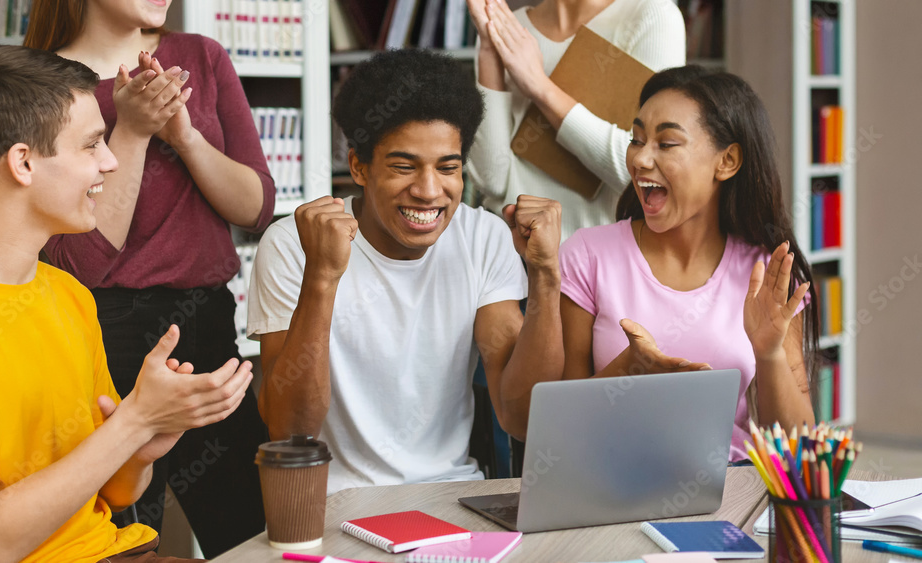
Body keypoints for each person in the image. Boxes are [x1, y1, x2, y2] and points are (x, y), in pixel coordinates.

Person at [0, 45, 253, 563]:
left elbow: (120, 495)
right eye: (92, 145)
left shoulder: (70, 296)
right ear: (23, 163)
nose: (111, 161)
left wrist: (144, 442)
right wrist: (133, 423)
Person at [247, 49, 564, 494]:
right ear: (359, 166)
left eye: (448, 168)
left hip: (452, 495)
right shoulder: (293, 245)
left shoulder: (484, 238)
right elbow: (290, 432)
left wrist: (546, 276)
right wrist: (321, 277)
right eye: (404, 166)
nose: (429, 191)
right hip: (337, 505)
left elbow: (523, 418)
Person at [23, 1, 275, 555]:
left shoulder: (201, 58)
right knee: (125, 538)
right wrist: (132, 132)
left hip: (209, 328)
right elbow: (79, 265)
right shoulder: (37, 81)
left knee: (252, 535)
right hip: (103, 334)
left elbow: (256, 207)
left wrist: (184, 137)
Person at [558, 65, 819, 462]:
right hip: (609, 483)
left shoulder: (768, 272)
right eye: (636, 139)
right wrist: (629, 370)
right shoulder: (587, 255)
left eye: (666, 144)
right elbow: (560, 427)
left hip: (729, 487)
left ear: (727, 161)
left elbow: (799, 449)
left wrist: (769, 354)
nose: (640, 159)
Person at [466, 0, 686, 240]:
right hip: (513, 257)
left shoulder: (651, 16)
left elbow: (650, 173)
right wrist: (488, 47)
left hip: (600, 262)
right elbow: (491, 181)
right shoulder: (508, 26)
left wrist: (540, 87)